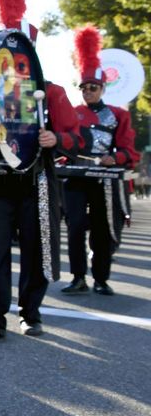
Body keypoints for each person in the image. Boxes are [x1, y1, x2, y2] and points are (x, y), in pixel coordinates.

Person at [0, 0, 83, 339]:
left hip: (36, 180)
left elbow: (76, 136)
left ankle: (30, 312)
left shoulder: (51, 92)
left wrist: (58, 140)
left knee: (35, 250)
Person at [61, 26, 139, 296]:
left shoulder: (117, 115)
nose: (88, 92)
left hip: (104, 179)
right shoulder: (72, 113)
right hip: (76, 177)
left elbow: (130, 151)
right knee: (74, 229)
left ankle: (101, 279)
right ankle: (78, 277)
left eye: (93, 87)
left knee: (102, 230)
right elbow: (64, 143)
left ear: (103, 88)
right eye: (84, 87)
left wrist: (113, 158)